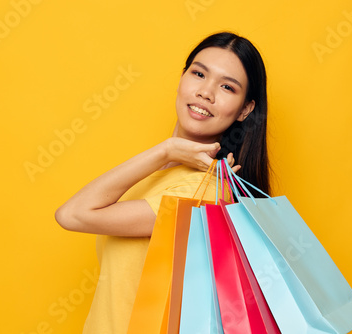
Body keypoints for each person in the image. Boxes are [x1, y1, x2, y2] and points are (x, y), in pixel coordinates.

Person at [55, 31, 270, 334]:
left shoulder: (200, 192)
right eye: (198, 74)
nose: (206, 92)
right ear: (182, 78)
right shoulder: (164, 176)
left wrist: (166, 149)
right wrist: (167, 155)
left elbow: (71, 215)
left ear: (245, 109)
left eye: (227, 87)